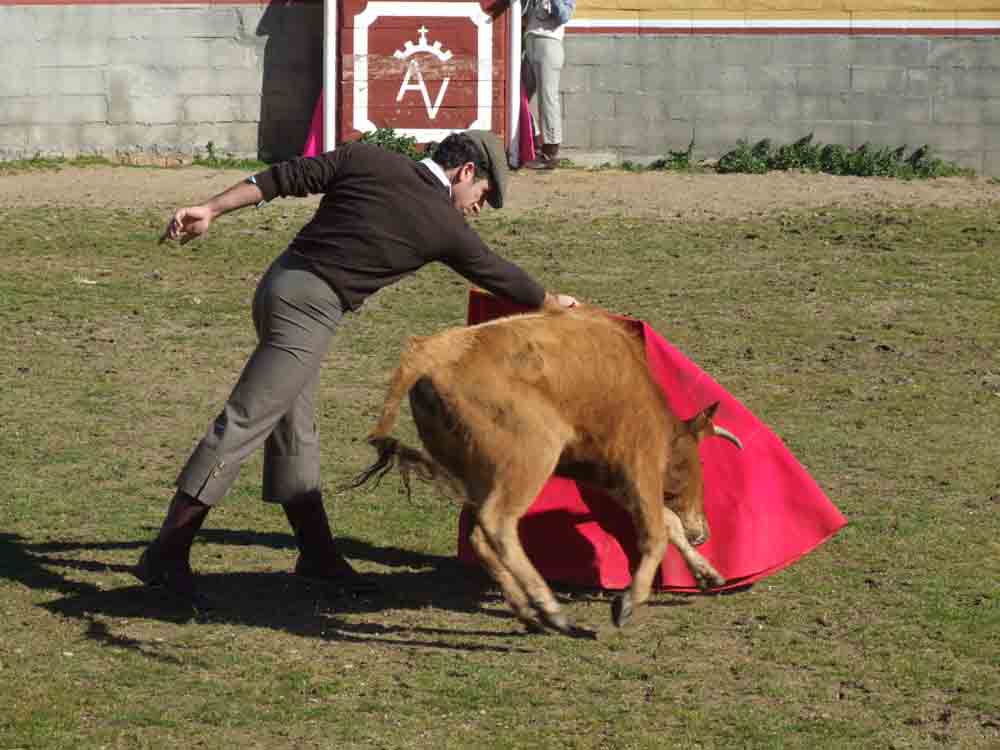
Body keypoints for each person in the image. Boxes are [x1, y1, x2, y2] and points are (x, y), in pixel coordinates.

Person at [138, 130, 578, 606]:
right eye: (484, 194)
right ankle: (167, 553)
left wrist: (211, 208)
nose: (479, 207)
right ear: (466, 171)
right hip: (308, 313)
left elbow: (284, 177)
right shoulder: (443, 224)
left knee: (294, 429)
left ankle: (317, 556)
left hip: (277, 286)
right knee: (245, 421)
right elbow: (497, 273)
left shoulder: (369, 158)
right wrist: (553, 303)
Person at [520, 0, 573, 170]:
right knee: (518, 95)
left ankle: (550, 153)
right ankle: (534, 141)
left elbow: (564, 16)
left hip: (549, 43)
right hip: (530, 43)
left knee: (547, 98)